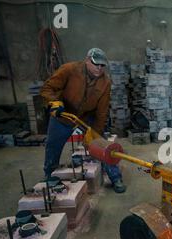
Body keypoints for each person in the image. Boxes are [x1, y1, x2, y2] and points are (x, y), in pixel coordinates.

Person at [40, 48, 126, 193]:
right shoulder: (69, 69)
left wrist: (96, 135)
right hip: (64, 113)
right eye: (95, 64)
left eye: (102, 65)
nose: (99, 68)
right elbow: (48, 88)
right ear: (87, 60)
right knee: (53, 145)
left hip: (86, 115)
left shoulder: (105, 82)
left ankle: (115, 177)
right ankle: (50, 174)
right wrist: (54, 103)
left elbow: (102, 110)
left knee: (102, 145)